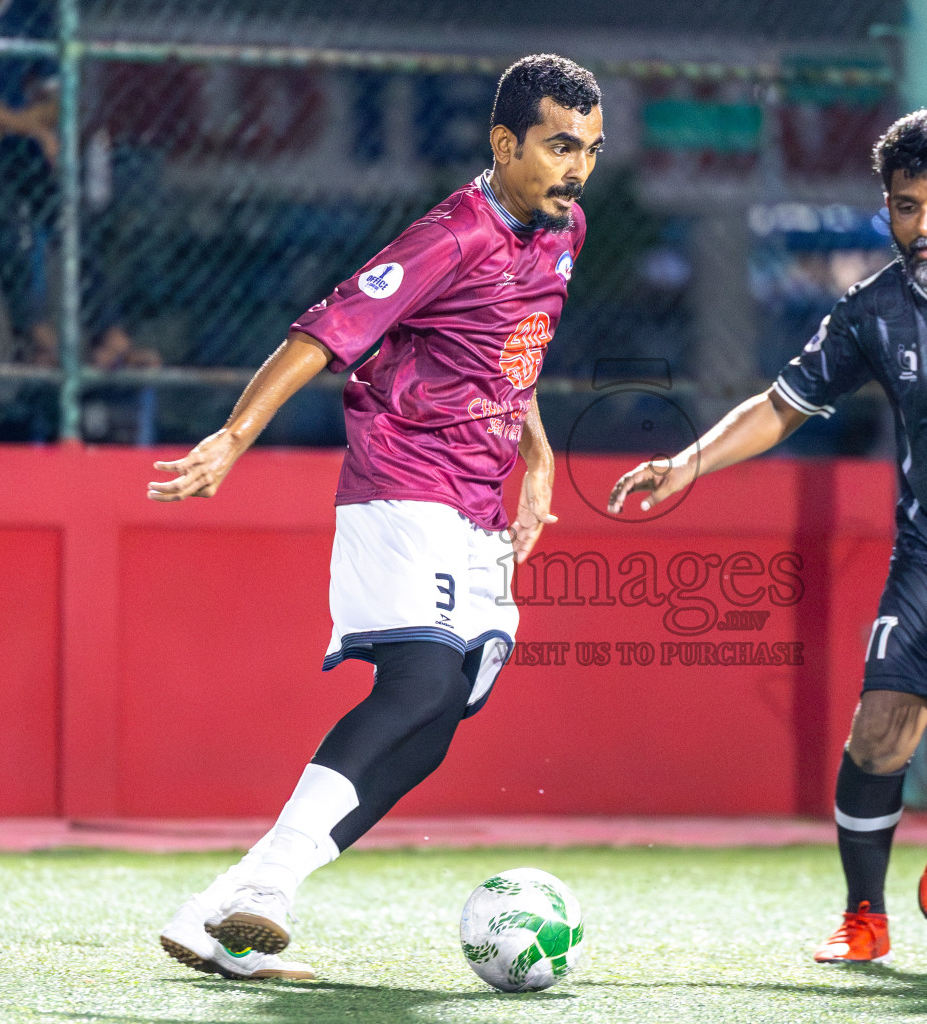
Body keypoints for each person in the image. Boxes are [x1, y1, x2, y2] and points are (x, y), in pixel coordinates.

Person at [608, 108, 927, 964]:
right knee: (880, 731)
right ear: (886, 208)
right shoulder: (873, 310)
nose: (924, 225)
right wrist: (688, 462)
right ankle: (864, 918)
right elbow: (782, 406)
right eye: (905, 205)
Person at [146, 53, 601, 981]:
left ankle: (220, 911)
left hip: (479, 505)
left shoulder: (566, 227)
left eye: (591, 149)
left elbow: (510, 351)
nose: (578, 169)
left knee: (438, 720)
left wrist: (539, 456)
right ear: (504, 143)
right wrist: (233, 438)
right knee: (420, 684)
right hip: (404, 481)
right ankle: (266, 891)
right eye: (560, 147)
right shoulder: (453, 233)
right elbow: (322, 333)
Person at [0, 0, 155, 368]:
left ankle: (109, 333)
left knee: (64, 210)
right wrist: (29, 127)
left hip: (5, 136)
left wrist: (11, 126)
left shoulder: (31, 13)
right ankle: (34, 336)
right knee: (3, 212)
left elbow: (58, 101)